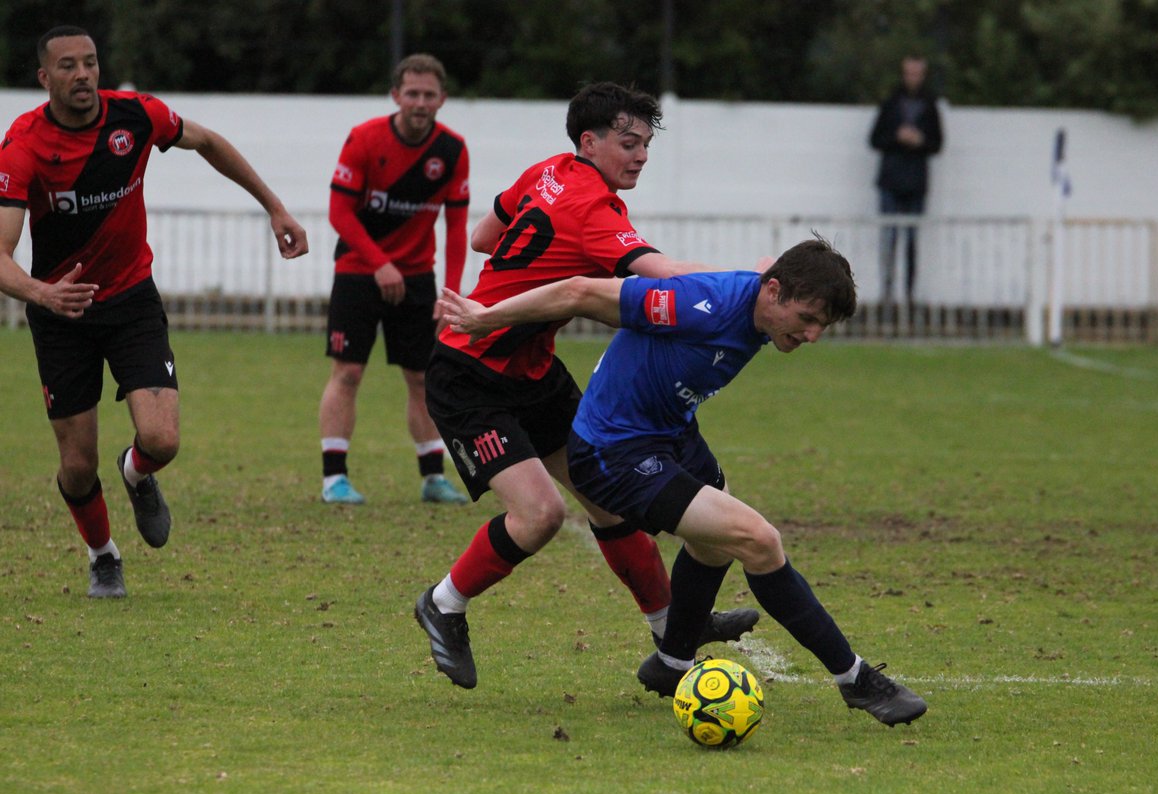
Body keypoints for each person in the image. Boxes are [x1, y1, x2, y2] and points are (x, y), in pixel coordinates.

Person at [438, 237, 928, 727]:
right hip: (614, 451)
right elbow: (578, 292)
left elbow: (762, 265)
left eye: (822, 325)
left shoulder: (767, 299)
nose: (813, 335)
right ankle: (856, 680)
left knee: (713, 546)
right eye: (808, 320)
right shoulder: (699, 307)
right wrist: (486, 318)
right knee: (758, 540)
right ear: (774, 292)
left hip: (671, 433)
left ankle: (671, 664)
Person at [412, 82, 758, 690]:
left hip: (535, 373)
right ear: (590, 141)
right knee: (540, 514)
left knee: (610, 499)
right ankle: (443, 603)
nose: (641, 155)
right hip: (469, 375)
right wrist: (755, 278)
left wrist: (529, 276)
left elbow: (484, 237)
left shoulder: (547, 170)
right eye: (629, 142)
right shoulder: (594, 211)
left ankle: (671, 630)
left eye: (647, 144)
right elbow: (666, 277)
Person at [0, 26, 308, 599]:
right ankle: (103, 556)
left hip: (131, 299)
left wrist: (275, 208)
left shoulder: (137, 116)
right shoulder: (23, 147)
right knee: (76, 466)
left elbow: (209, 142)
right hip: (61, 312)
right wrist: (42, 295)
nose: (84, 75)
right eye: (68, 66)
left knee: (162, 439)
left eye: (90, 63)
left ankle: (136, 472)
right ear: (44, 78)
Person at [318, 53, 469, 506]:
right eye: (412, 93)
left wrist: (451, 294)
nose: (420, 103)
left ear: (441, 98)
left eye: (428, 95)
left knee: (423, 377)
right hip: (358, 273)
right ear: (395, 95)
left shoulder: (453, 150)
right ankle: (333, 479)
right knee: (347, 372)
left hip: (419, 279)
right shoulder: (365, 140)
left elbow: (457, 228)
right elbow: (339, 212)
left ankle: (432, 478)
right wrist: (380, 262)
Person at [869, 55, 943, 307]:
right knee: (889, 239)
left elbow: (937, 143)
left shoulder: (930, 105)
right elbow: (875, 139)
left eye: (917, 73)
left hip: (916, 183)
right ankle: (887, 293)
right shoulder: (890, 103)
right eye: (909, 73)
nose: (913, 78)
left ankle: (909, 295)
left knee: (912, 242)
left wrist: (919, 141)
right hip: (890, 181)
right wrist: (896, 137)